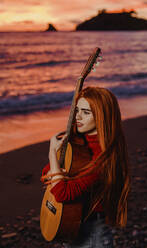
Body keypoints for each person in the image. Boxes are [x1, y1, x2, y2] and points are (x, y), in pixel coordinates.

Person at [41, 86, 130, 247]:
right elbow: (47, 174)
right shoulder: (78, 140)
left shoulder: (104, 157)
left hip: (92, 233)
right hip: (72, 221)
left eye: (86, 112)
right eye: (77, 110)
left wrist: (52, 154)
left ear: (102, 116)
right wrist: (57, 172)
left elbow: (62, 193)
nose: (78, 117)